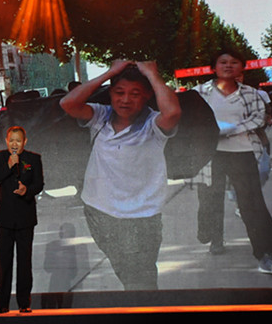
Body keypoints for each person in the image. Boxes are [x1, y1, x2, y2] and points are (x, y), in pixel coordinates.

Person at [59, 60, 181, 290]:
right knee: (126, 272)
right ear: (111, 93)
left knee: (141, 280)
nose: (125, 100)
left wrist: (152, 74)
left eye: (135, 94)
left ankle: (145, 306)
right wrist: (110, 72)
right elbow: (68, 103)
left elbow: (173, 112)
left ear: (147, 95)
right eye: (119, 92)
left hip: (142, 215)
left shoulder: (153, 123)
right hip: (99, 211)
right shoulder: (100, 116)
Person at [192, 51, 272, 273]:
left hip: (242, 152)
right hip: (209, 154)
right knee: (210, 201)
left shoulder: (250, 93)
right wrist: (208, 133)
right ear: (213, 67)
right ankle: (215, 239)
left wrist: (231, 130)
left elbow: (258, 118)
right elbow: (190, 119)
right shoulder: (199, 93)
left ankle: (265, 255)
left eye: (234, 62)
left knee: (251, 204)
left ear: (241, 67)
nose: (228, 66)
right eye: (223, 62)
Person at [0, 126, 44, 314]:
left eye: (18, 141)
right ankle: (1, 303)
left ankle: (24, 303)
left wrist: (27, 190)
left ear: (24, 142)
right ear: (6, 141)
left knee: (24, 262)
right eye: (11, 140)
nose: (14, 144)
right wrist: (9, 166)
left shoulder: (33, 159)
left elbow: (39, 184)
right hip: (4, 218)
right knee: (4, 262)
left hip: (25, 217)